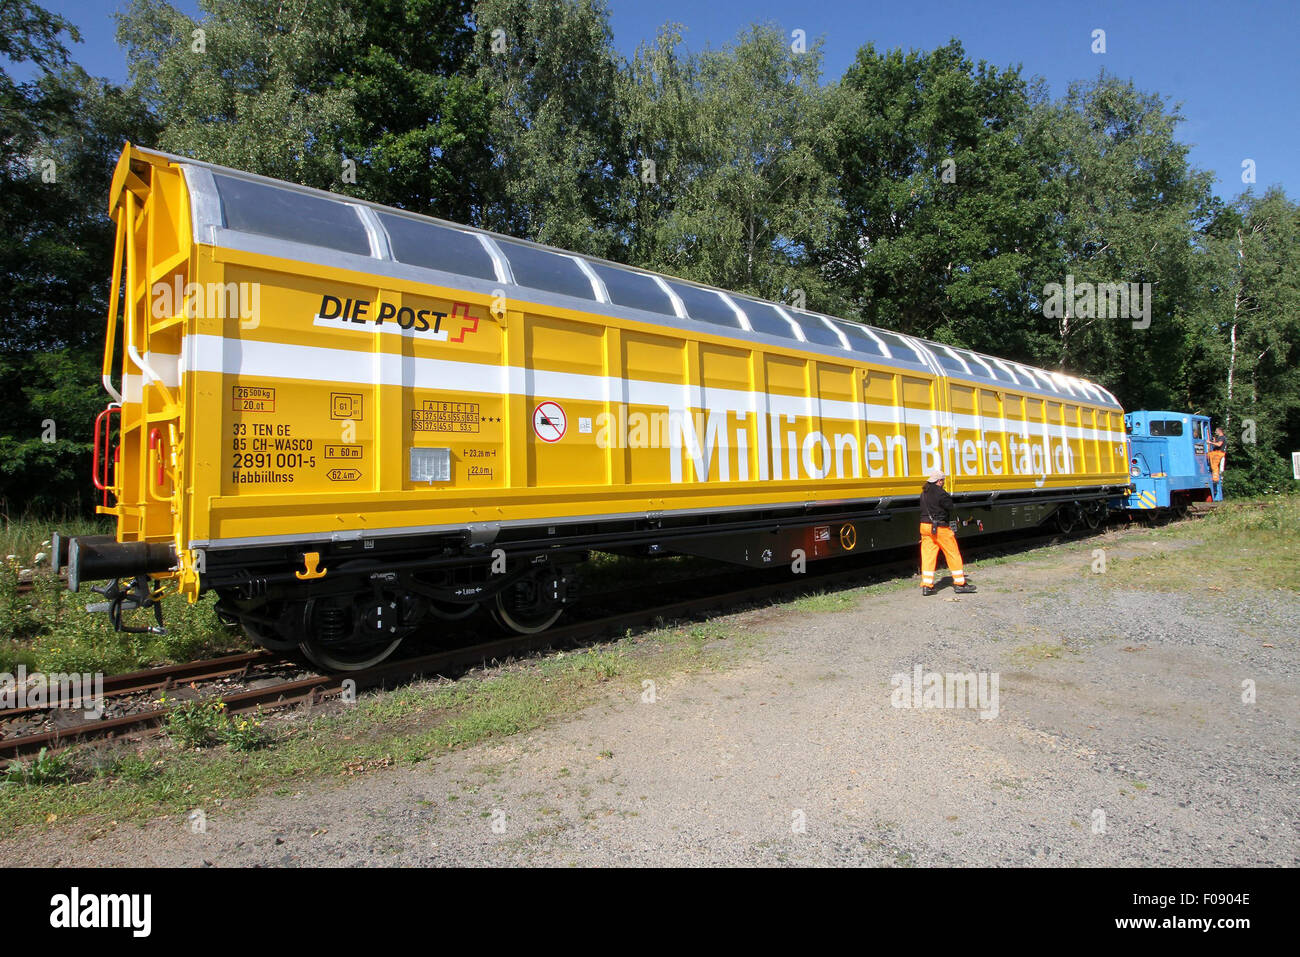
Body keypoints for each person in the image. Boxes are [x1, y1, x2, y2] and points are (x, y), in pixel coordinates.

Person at [919, 470, 976, 596]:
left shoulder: (923, 493)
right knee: (952, 554)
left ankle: (927, 586)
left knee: (928, 556)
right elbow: (950, 507)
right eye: (943, 481)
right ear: (939, 481)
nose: (943, 483)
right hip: (940, 528)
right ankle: (960, 584)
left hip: (925, 527)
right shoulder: (941, 493)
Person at [1207, 427, 1226, 502]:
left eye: (1216, 431)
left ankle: (1216, 479)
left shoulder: (1222, 438)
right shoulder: (1219, 438)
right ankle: (1215, 478)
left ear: (1220, 431)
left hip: (1219, 454)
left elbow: (1219, 444)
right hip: (1216, 454)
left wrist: (1210, 442)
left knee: (1215, 466)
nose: (1215, 432)